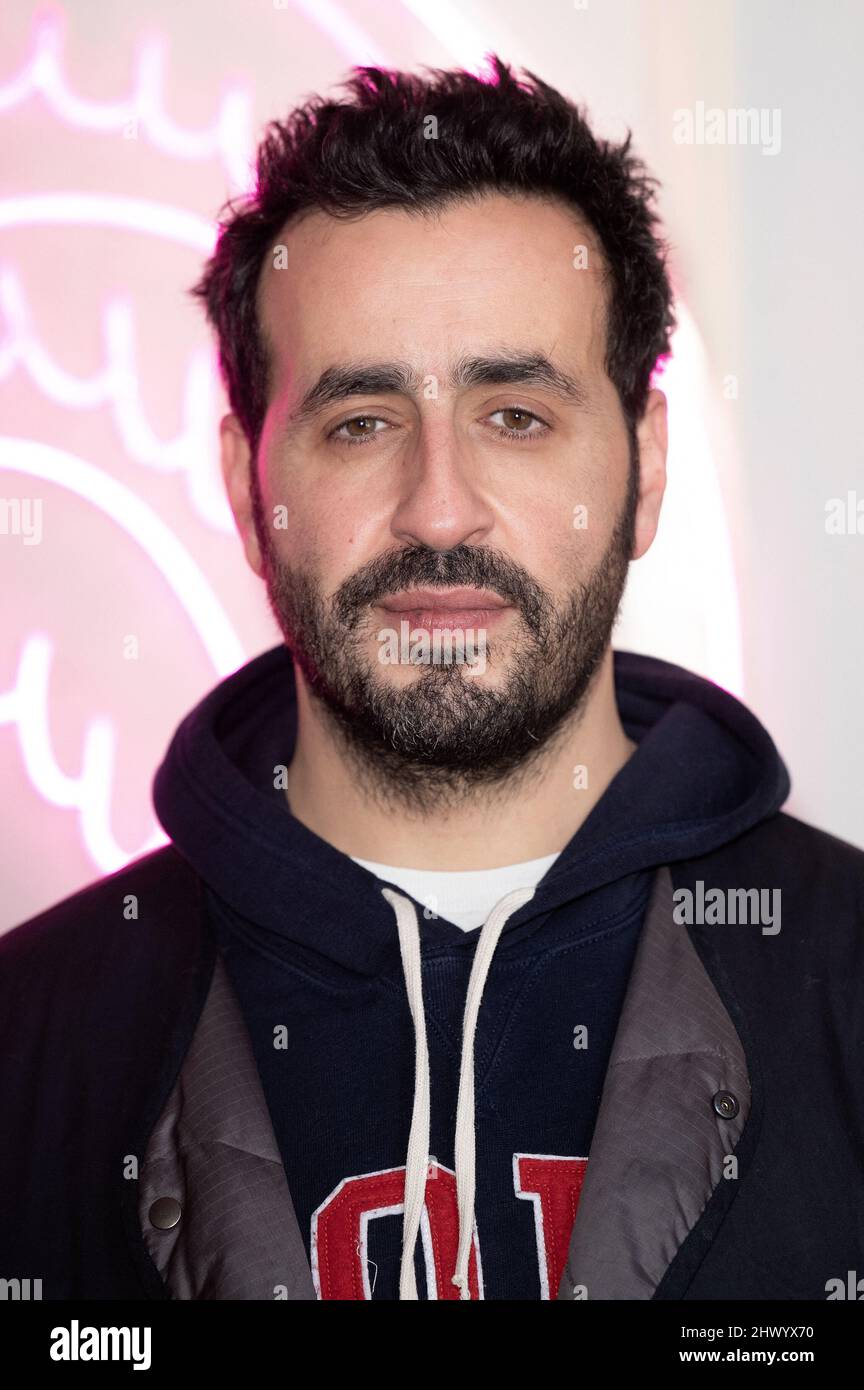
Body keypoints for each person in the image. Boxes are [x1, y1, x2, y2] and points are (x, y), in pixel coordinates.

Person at [1, 55, 862, 1303]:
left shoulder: (845, 981)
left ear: (647, 465)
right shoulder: (31, 1039)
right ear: (251, 488)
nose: (439, 509)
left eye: (516, 413)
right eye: (361, 422)